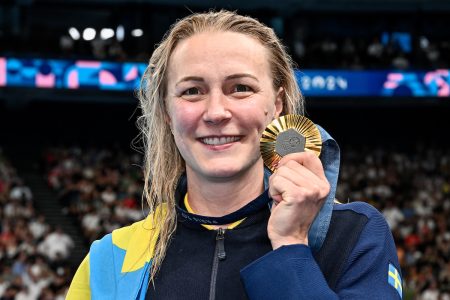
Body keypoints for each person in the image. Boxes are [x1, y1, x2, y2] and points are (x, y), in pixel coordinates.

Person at [67, 10, 402, 299]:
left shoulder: (354, 233)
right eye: (192, 91)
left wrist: (290, 244)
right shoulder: (109, 261)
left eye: (240, 88)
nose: (216, 112)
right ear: (167, 113)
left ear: (277, 105)